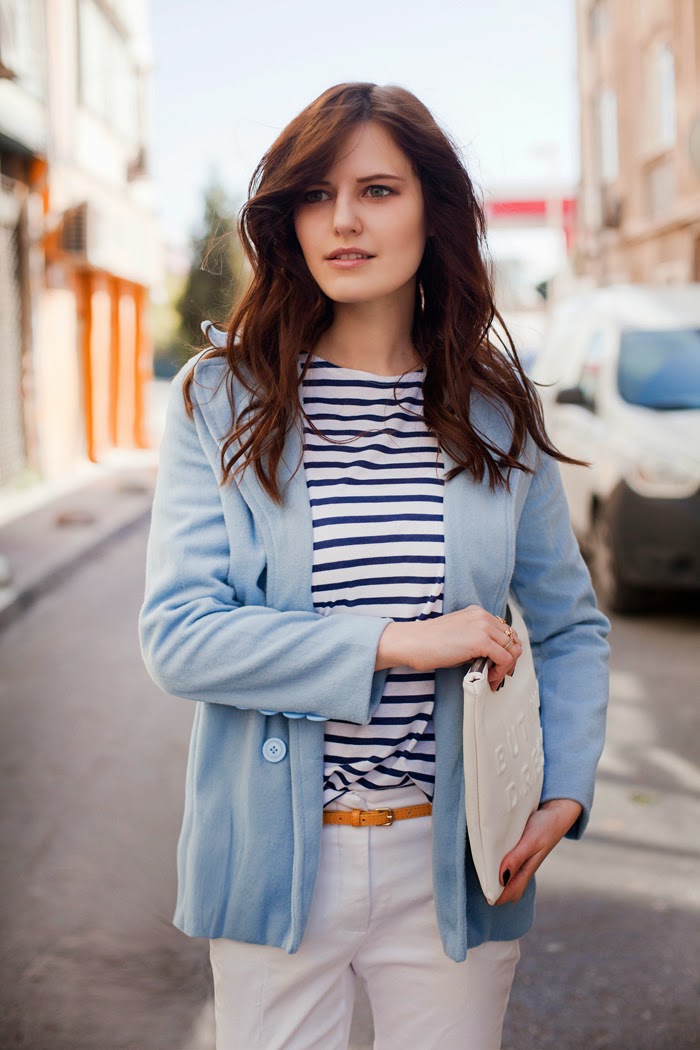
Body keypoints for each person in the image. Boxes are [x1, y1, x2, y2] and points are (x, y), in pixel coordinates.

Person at [138, 82, 610, 1050]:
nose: (343, 220)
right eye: (315, 194)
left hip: (454, 860)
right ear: (289, 220)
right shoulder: (219, 399)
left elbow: (569, 626)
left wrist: (564, 786)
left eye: (378, 191)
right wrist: (395, 643)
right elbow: (180, 639)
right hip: (274, 862)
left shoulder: (496, 411)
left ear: (433, 210)